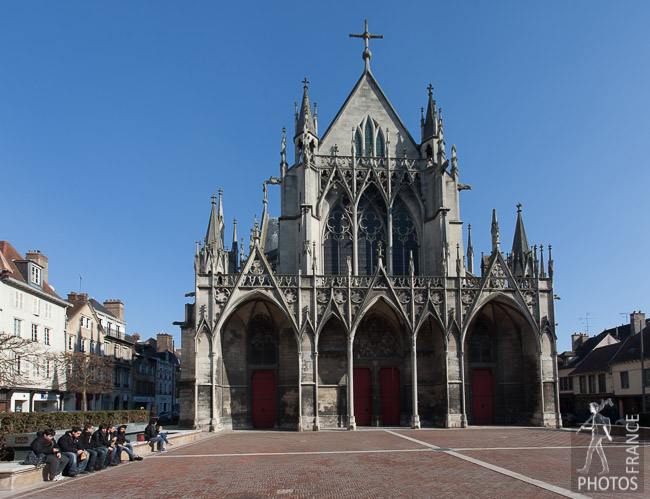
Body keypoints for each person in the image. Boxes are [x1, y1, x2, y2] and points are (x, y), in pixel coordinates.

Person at [577, 400, 613, 475]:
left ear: (594, 408)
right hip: (596, 436)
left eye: (591, 407)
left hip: (597, 436)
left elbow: (603, 425)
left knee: (590, 451)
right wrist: (584, 428)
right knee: (601, 453)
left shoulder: (597, 416)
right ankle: (606, 469)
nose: (590, 408)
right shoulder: (595, 416)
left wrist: (608, 435)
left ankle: (586, 469)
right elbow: (593, 428)